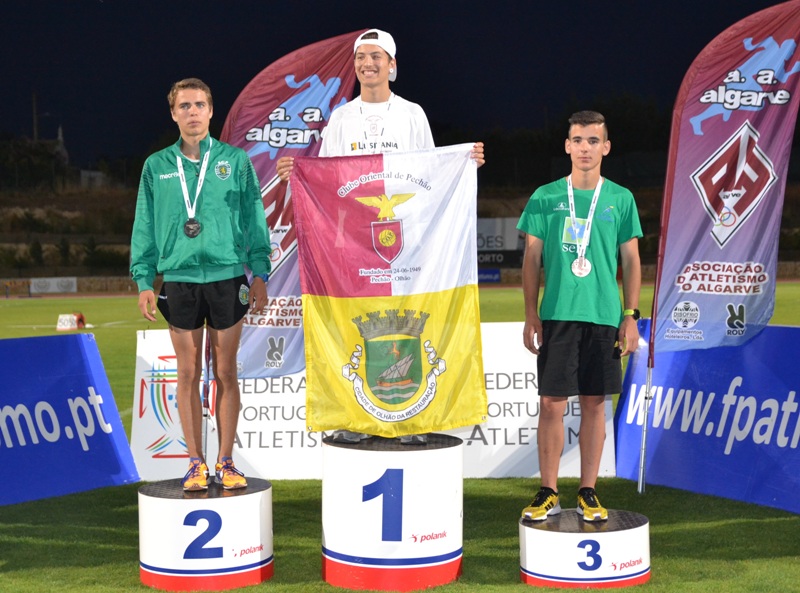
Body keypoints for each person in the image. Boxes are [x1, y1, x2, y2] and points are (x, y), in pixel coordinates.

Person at [276, 28, 485, 445]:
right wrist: (297, 173)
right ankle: (354, 417)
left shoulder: (412, 114)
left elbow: (430, 173)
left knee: (407, 318)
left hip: (404, 242)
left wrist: (463, 164)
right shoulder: (341, 118)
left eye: (376, 57)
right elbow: (328, 180)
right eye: (360, 58)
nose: (367, 64)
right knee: (355, 320)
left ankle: (412, 419)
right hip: (354, 244)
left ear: (392, 65)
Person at [130, 78, 272, 491]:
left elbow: (254, 217)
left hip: (228, 277)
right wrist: (144, 278)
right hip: (180, 280)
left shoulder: (235, 161)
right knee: (188, 371)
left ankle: (226, 461)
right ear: (173, 113)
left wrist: (259, 272)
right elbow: (144, 225)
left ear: (211, 111)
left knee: (225, 370)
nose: (192, 112)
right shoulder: (156, 166)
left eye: (199, 105)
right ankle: (195, 462)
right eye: (184, 106)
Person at [517, 110, 642, 521]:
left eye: (593, 140)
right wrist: (530, 313)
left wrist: (630, 315)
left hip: (605, 316)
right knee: (551, 404)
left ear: (606, 147)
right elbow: (532, 258)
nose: (585, 148)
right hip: (557, 314)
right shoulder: (545, 196)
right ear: (567, 146)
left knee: (594, 403)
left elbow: (631, 260)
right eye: (577, 140)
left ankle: (588, 490)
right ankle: (548, 491)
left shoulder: (620, 198)